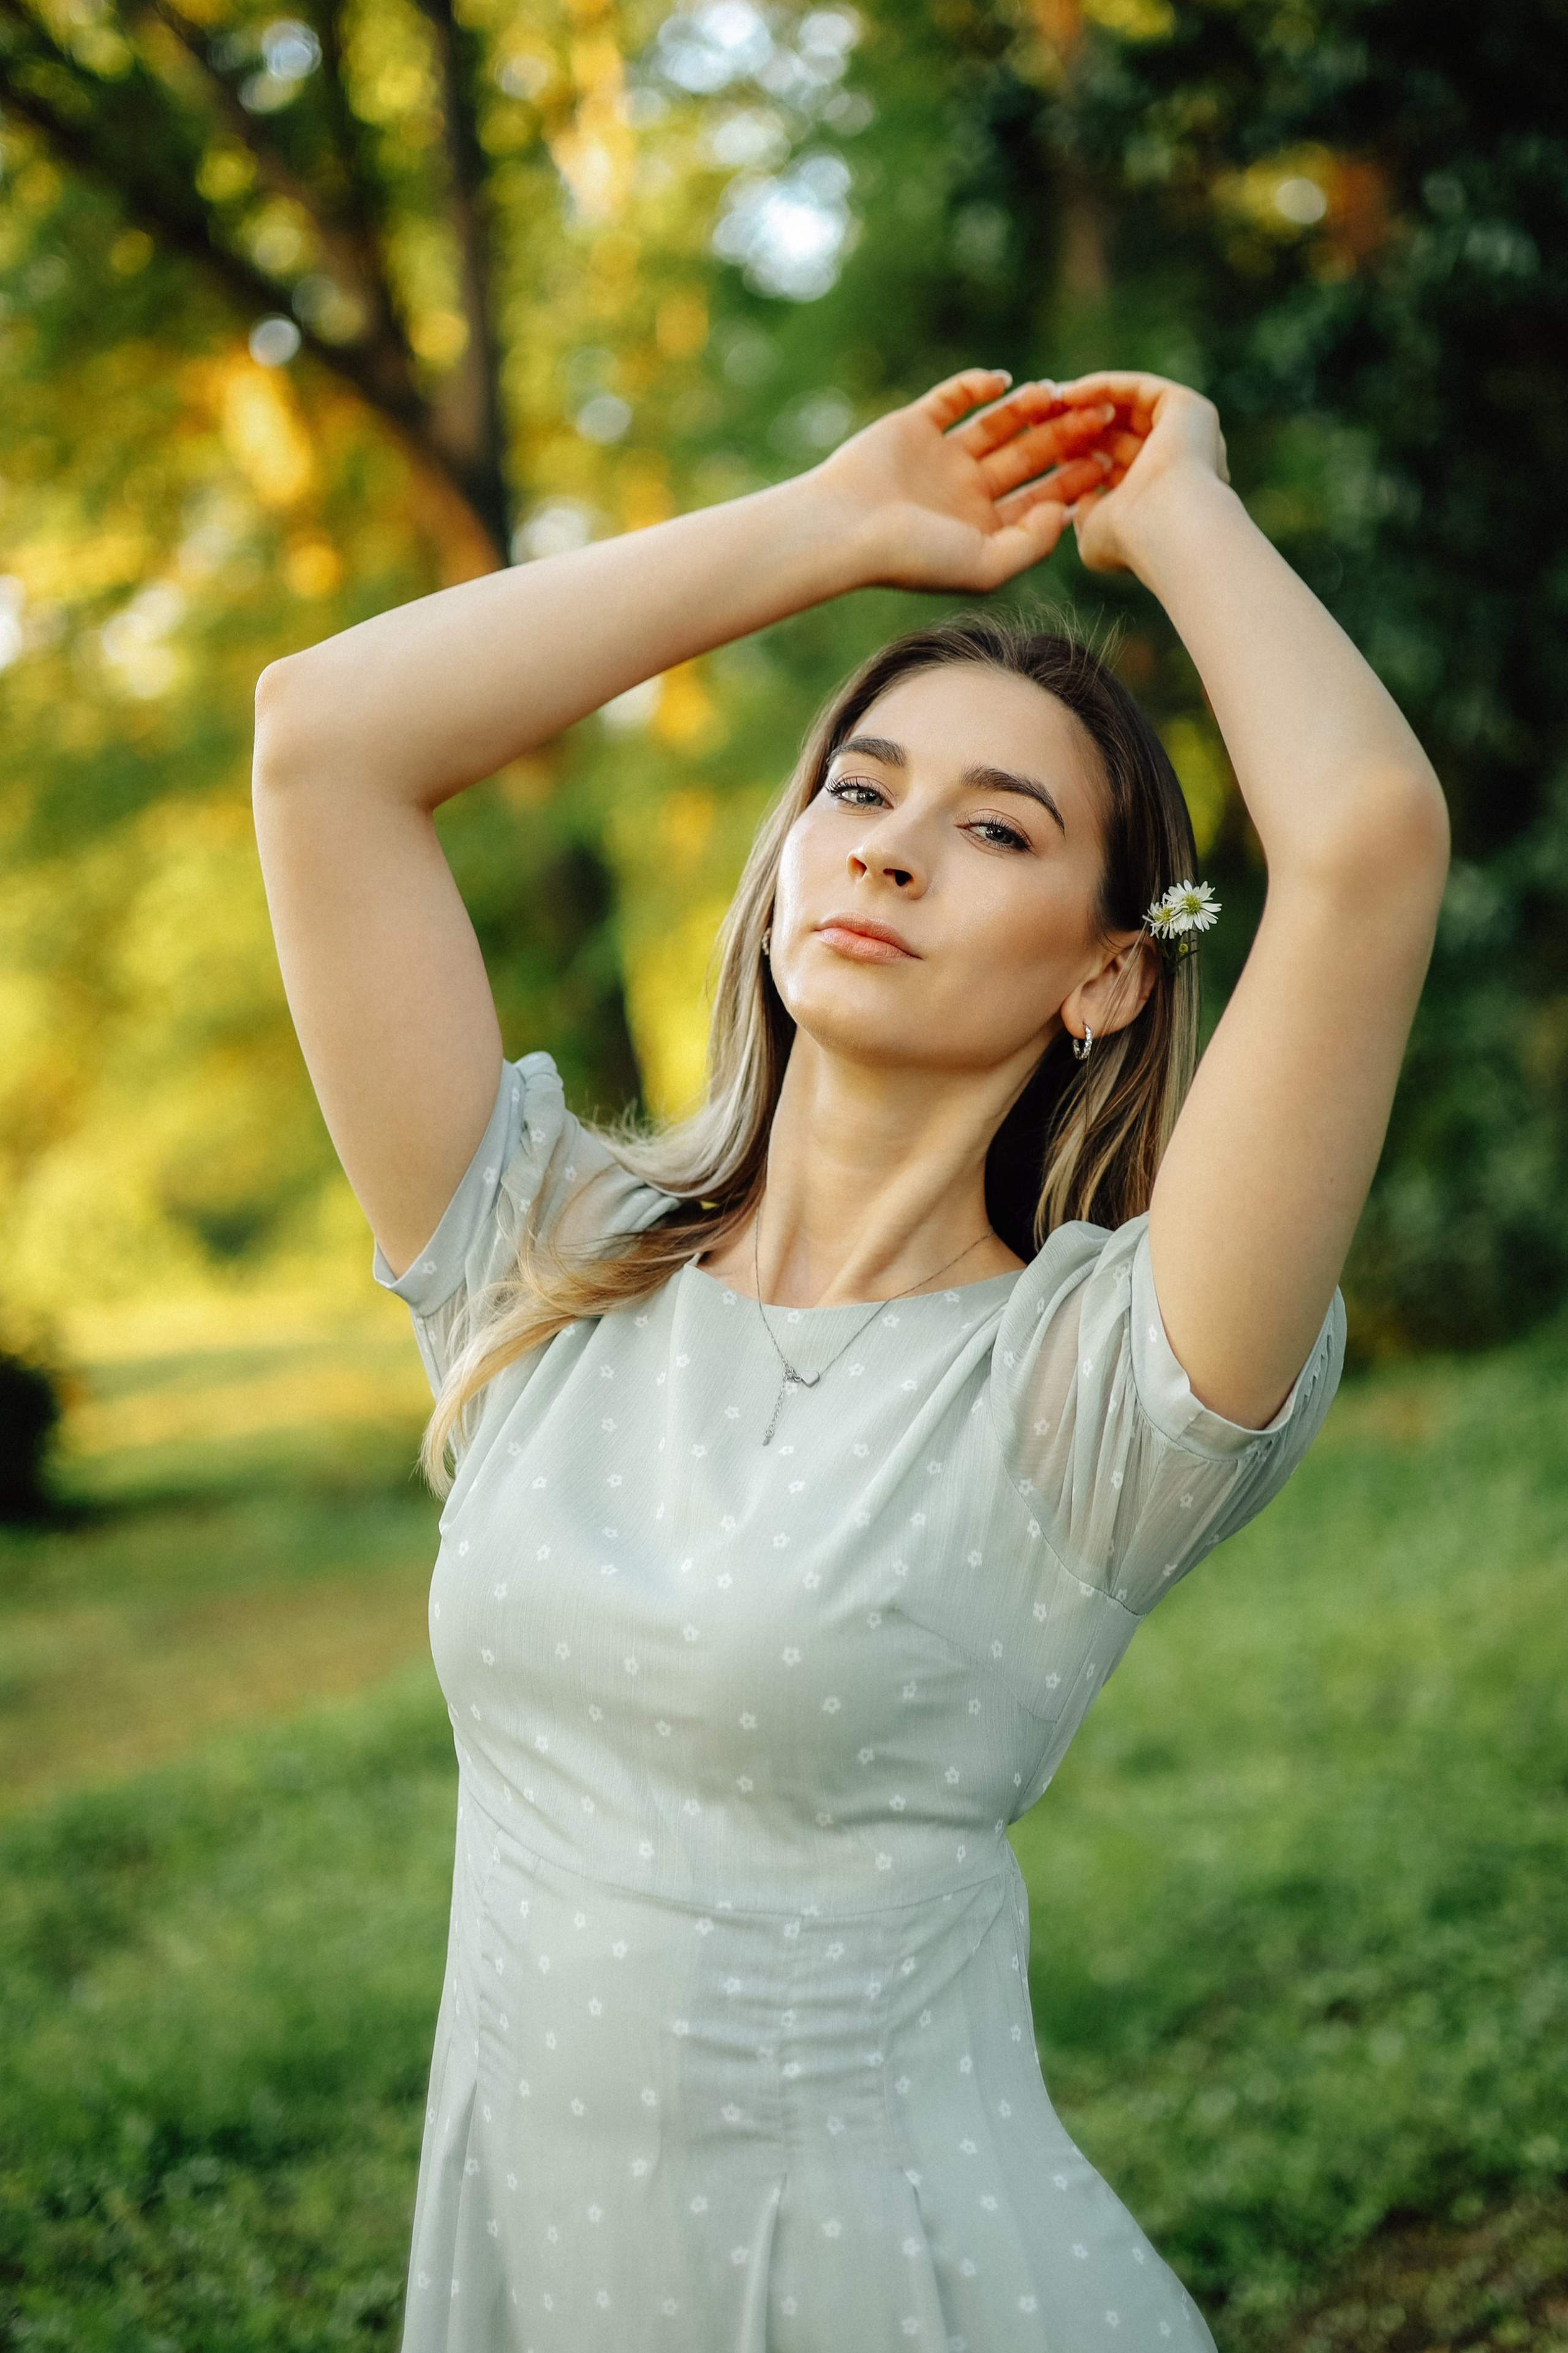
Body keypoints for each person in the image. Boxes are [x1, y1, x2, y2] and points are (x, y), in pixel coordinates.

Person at [252, 366, 1449, 2352]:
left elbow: (1369, 842)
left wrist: (1184, 516)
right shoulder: (546, 1261)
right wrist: (828, 525)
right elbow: (323, 742)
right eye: (858, 790)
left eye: (995, 828)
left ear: (1105, 971)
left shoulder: (1091, 1387)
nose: (887, 851)